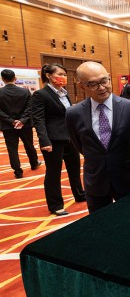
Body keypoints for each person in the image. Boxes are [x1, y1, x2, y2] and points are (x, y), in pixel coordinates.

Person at [66, 62, 130, 213]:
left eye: (104, 81)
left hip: (125, 176)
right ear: (82, 86)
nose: (101, 87)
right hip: (95, 179)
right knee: (99, 226)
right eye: (93, 84)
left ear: (109, 78)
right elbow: (79, 144)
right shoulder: (73, 113)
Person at [32, 64, 86, 216]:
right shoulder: (40, 94)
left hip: (69, 137)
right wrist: (44, 141)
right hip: (53, 139)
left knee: (74, 169)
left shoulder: (64, 92)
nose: (63, 76)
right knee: (54, 173)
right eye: (60, 73)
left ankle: (80, 194)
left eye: (64, 73)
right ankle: (56, 205)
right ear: (49, 75)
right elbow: (38, 119)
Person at [0, 69, 41, 179]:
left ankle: (18, 172)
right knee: (29, 145)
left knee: (12, 149)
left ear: (2, 79)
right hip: (25, 125)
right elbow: (30, 108)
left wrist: (11, 121)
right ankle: (34, 164)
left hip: (8, 126)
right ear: (15, 79)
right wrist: (22, 120)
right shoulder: (25, 91)